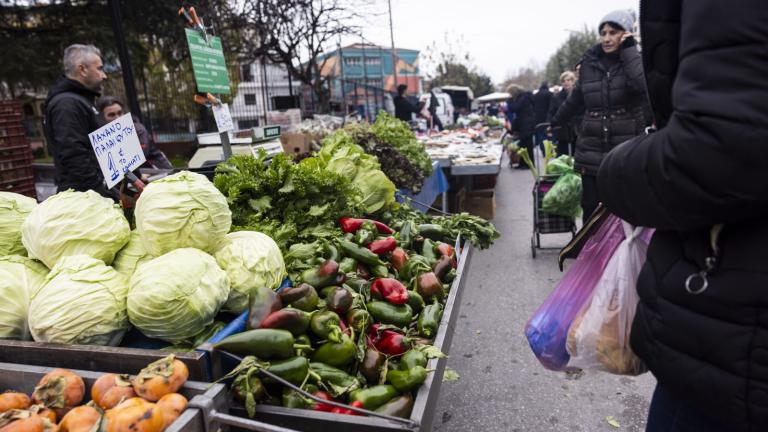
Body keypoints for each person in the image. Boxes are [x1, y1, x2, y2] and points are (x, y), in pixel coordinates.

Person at [597, 1, 768, 431]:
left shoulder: (629, 62)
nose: (606, 38)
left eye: (613, 31)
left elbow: (721, 148)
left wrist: (613, 175)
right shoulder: (591, 67)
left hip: (736, 337)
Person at [551, 9, 649, 220]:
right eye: (603, 33)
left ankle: (623, 252)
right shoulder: (588, 64)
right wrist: (556, 121)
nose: (606, 38)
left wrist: (630, 49)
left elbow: (641, 87)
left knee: (626, 209)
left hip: (625, 148)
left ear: (626, 34)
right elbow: (576, 98)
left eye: (613, 32)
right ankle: (590, 252)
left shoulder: (635, 60)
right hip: (591, 149)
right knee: (590, 207)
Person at [43, 44, 117, 200]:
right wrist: (101, 192)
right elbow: (74, 154)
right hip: (84, 197)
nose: (104, 76)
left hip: (92, 192)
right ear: (82, 69)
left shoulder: (80, 101)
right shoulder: (67, 105)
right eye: (99, 69)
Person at [96, 96, 173, 170]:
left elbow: (136, 159)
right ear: (102, 118)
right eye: (111, 115)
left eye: (120, 113)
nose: (117, 118)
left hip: (157, 170)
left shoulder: (138, 130)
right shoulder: (101, 137)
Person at [504, 84, 536, 169]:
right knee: (523, 145)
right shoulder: (523, 97)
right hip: (525, 123)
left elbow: (514, 108)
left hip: (526, 124)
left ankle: (528, 164)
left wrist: (509, 100)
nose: (509, 95)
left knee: (527, 145)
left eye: (510, 93)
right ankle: (523, 163)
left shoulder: (523, 98)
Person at [548, 71, 579, 156]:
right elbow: (552, 112)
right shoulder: (556, 97)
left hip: (577, 130)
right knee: (562, 156)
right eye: (564, 81)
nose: (566, 82)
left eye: (569, 80)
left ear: (573, 81)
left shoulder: (579, 94)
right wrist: (550, 124)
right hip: (562, 130)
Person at [533, 81, 552, 148]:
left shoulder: (535, 95)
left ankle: (543, 149)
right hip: (548, 117)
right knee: (549, 134)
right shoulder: (550, 94)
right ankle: (550, 149)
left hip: (538, 118)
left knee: (541, 134)